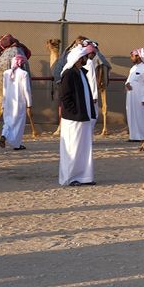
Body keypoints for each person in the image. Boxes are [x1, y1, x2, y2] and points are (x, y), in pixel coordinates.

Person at [56, 41, 99, 186]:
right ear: (78, 59)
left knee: (84, 149)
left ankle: (84, 177)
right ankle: (70, 177)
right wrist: (74, 112)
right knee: (73, 148)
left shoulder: (81, 72)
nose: (87, 59)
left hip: (83, 118)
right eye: (84, 57)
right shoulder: (68, 74)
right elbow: (65, 96)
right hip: (74, 119)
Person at [1, 53, 33, 150]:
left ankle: (4, 135)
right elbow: (26, 90)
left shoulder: (6, 73)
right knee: (18, 122)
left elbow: (4, 89)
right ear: (21, 63)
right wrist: (29, 104)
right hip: (19, 102)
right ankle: (16, 144)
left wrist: (3, 103)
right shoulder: (24, 74)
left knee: (8, 120)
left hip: (8, 102)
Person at [125, 49, 144, 143]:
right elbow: (129, 80)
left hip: (141, 98)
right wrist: (127, 84)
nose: (131, 58)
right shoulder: (133, 68)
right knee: (131, 115)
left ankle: (143, 137)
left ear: (138, 57)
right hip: (131, 97)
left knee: (142, 117)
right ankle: (133, 136)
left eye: (133, 56)